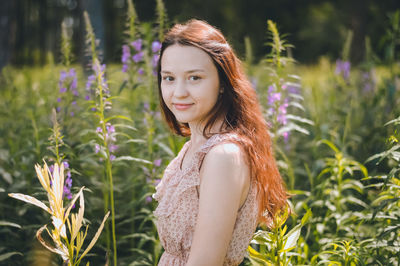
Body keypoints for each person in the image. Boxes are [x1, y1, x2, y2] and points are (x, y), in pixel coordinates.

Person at [153, 19, 288, 266]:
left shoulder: (223, 157)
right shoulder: (196, 146)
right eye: (169, 78)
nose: (179, 91)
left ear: (223, 83)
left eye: (194, 78)